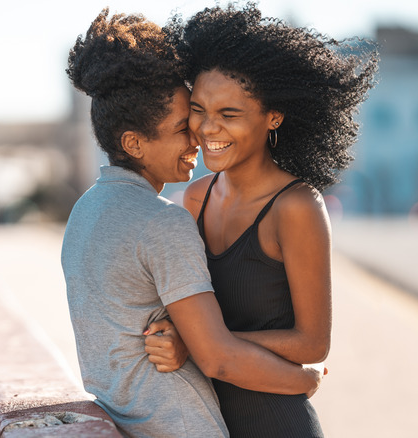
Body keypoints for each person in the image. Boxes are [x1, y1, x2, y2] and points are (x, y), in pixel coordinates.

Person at [61, 9, 323, 438]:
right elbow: (217, 356)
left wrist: (190, 338)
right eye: (185, 125)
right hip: (184, 423)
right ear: (134, 143)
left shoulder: (84, 212)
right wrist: (306, 380)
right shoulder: (165, 219)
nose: (197, 137)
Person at [148, 3, 379, 437]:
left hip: (277, 423)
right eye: (198, 109)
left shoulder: (297, 207)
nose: (207, 129)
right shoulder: (194, 199)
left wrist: (202, 346)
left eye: (229, 114)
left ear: (273, 116)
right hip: (207, 423)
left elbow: (313, 343)